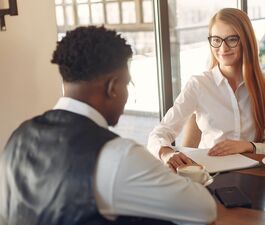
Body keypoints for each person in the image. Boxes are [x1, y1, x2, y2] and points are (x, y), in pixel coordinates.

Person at [0, 26, 216, 225]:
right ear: (113, 87)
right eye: (127, 83)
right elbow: (205, 209)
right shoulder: (118, 154)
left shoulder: (18, 137)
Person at [148, 8, 265, 171]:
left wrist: (247, 146)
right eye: (216, 40)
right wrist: (167, 153)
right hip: (210, 174)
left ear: (246, 41)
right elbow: (159, 133)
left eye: (232, 39)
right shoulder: (199, 85)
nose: (223, 48)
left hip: (256, 174)